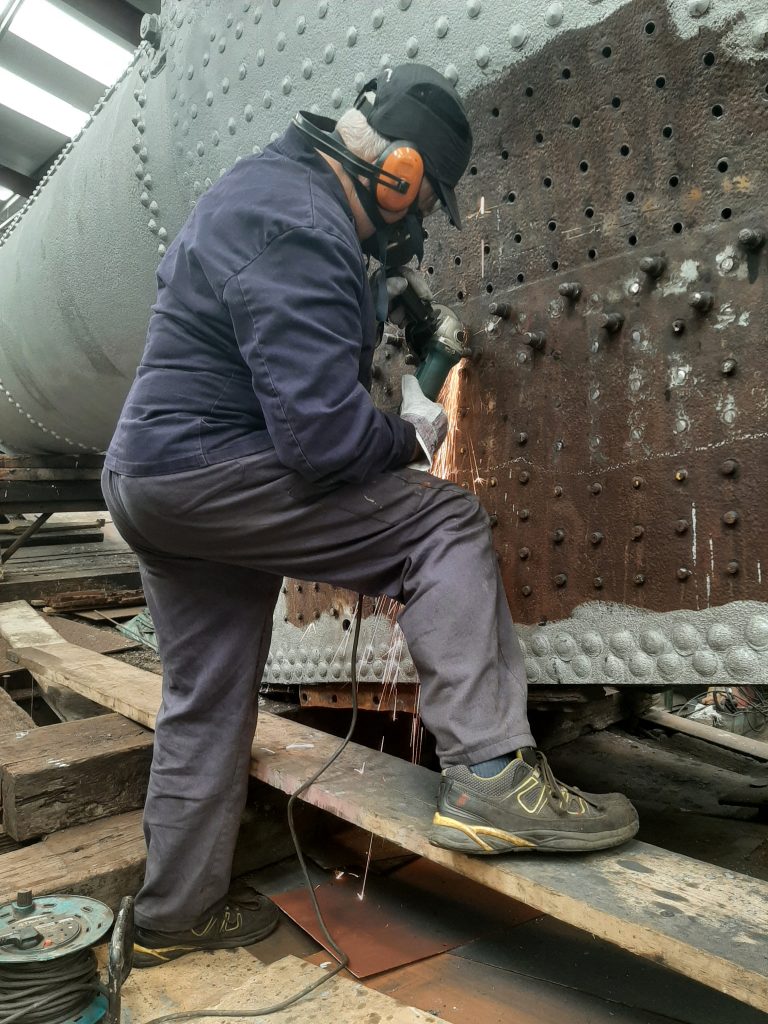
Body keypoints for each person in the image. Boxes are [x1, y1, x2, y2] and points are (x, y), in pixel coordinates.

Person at [103, 63, 638, 969]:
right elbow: (319, 441)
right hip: (206, 474)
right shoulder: (304, 225)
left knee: (204, 700)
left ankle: (171, 918)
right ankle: (491, 780)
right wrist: (406, 433)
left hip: (156, 483)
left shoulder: (264, 189)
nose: (415, 223)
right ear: (393, 173)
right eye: (419, 200)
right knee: (445, 526)